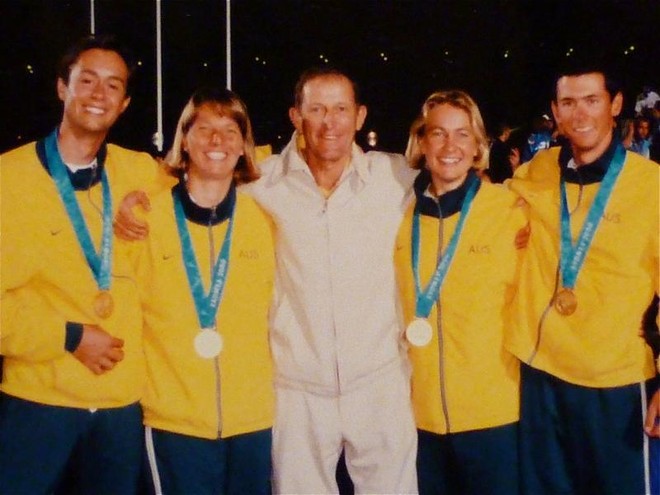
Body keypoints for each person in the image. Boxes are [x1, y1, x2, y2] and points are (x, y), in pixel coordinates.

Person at [114, 66, 419, 494]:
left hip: (379, 383)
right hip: (296, 389)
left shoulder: (395, 177)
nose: (329, 122)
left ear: (360, 115)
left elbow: (460, 175)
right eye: (316, 109)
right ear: (296, 116)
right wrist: (135, 195)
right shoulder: (263, 181)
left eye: (341, 109)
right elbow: (198, 171)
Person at [0, 34, 162, 494]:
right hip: (38, 401)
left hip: (120, 406)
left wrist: (142, 197)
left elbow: (215, 169)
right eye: (86, 80)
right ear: (61, 88)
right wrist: (68, 336)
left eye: (113, 86)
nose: (98, 94)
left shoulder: (140, 173)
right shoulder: (7, 180)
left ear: (125, 103)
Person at [506, 60, 660, 494]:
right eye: (568, 103)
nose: (580, 114)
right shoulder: (534, 174)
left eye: (592, 100)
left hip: (615, 384)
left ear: (615, 104)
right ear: (554, 111)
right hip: (541, 374)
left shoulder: (651, 187)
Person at [133, 87, 275, 494]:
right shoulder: (146, 219)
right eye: (205, 129)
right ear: (185, 139)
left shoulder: (265, 219)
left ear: (244, 145)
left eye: (230, 130)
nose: (217, 141)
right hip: (173, 420)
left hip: (252, 420)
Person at [395, 90, 526, 495]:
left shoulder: (511, 210)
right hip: (418, 419)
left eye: (463, 135)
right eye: (438, 134)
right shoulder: (397, 215)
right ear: (421, 143)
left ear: (479, 147)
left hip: (495, 416)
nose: (450, 146)